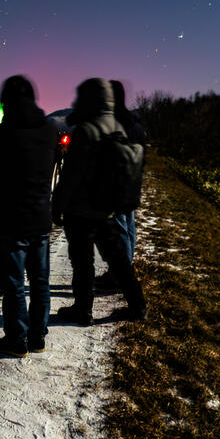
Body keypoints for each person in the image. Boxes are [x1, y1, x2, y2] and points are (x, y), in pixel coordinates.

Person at [0, 75, 62, 357]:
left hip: (10, 217)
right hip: (39, 215)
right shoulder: (49, 128)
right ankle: (38, 337)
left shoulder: (3, 128)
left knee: (13, 283)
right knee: (40, 281)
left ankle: (17, 338)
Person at [53, 77, 147, 325]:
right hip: (107, 207)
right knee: (118, 261)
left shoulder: (86, 129)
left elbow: (71, 175)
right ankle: (138, 305)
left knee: (83, 263)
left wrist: (57, 206)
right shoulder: (115, 124)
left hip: (82, 209)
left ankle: (83, 310)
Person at [94, 79, 147, 289]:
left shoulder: (115, 124)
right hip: (133, 182)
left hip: (116, 185)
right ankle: (125, 270)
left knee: (120, 231)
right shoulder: (136, 125)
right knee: (129, 228)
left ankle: (120, 276)